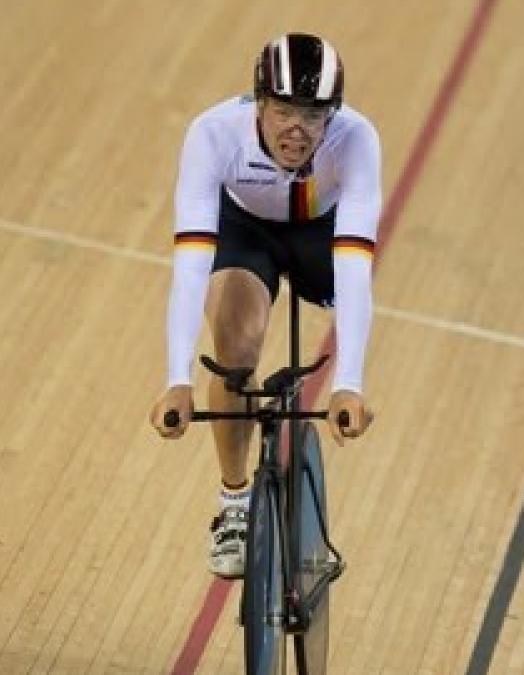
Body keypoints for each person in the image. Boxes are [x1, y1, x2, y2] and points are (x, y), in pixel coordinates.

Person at [149, 33, 382, 578]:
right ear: (258, 102)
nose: (297, 129)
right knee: (236, 351)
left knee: (343, 290)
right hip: (244, 230)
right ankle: (234, 506)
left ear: (334, 115)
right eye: (283, 111)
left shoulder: (357, 140)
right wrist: (176, 377)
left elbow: (353, 267)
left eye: (313, 114)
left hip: (318, 232)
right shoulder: (212, 134)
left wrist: (350, 381)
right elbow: (190, 260)